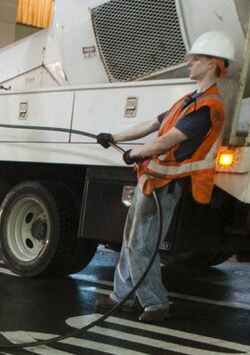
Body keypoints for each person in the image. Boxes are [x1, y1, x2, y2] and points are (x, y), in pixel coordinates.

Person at [96, 31, 234, 323]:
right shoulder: (189, 100)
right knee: (131, 240)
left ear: (211, 63)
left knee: (141, 245)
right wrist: (114, 136)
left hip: (166, 186)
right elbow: (152, 124)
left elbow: (165, 141)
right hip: (152, 181)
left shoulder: (210, 107)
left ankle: (156, 303)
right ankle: (122, 297)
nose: (188, 62)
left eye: (194, 58)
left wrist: (133, 154)